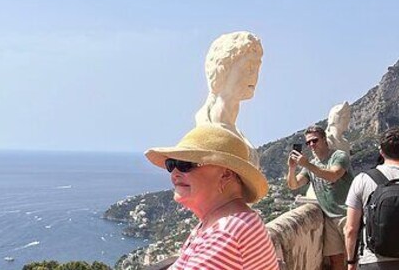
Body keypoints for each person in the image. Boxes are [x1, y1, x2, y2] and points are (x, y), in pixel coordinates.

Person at [145, 124, 278, 269]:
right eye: (171, 164)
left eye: (185, 164)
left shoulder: (226, 233)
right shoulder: (220, 223)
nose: (174, 173)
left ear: (226, 174)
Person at [344, 128, 399, 270]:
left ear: (381, 152)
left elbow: (350, 229)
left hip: (373, 262)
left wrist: (351, 262)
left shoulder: (363, 179)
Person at [287, 125, 354, 270]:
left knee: (353, 258)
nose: (311, 145)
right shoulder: (312, 165)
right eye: (308, 142)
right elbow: (294, 184)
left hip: (347, 214)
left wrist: (308, 165)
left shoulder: (339, 156)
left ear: (324, 139)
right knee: (336, 260)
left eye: (315, 140)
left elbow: (334, 175)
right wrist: (292, 168)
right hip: (329, 218)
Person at [194, 31, 264, 166]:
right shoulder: (206, 127)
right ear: (223, 68)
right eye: (249, 66)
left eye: (257, 67)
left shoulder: (235, 131)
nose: (254, 76)